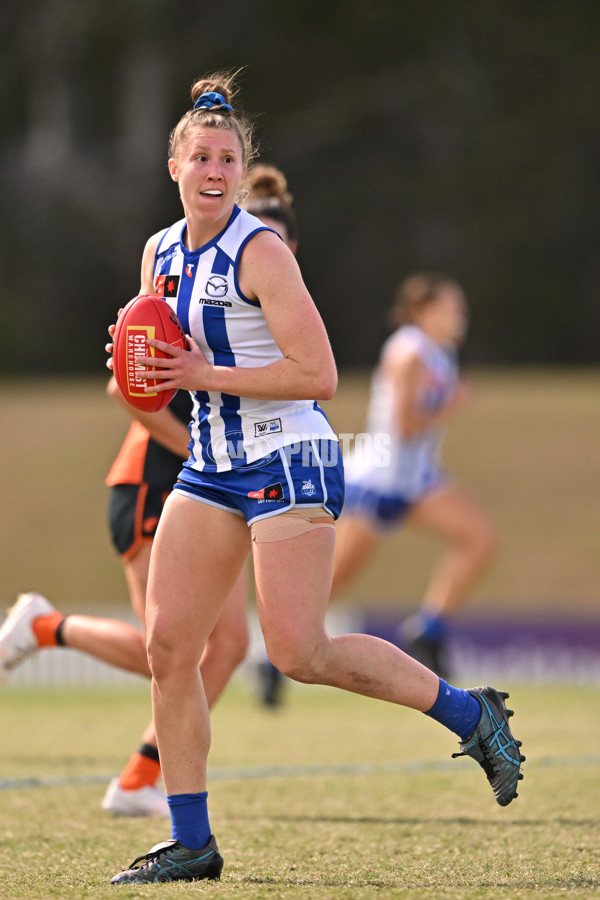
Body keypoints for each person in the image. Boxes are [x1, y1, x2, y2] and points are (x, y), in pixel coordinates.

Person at [103, 70, 523, 885]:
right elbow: (155, 354)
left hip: (290, 456)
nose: (216, 171)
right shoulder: (157, 251)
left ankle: (473, 715)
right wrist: (138, 362)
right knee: (168, 647)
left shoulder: (259, 251)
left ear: (239, 169)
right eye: (202, 157)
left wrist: (202, 372)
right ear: (175, 167)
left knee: (299, 651)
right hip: (213, 463)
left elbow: (318, 373)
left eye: (228, 158)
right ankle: (192, 842)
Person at [0, 162, 300, 816]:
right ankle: (46, 626)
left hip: (221, 486)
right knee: (169, 647)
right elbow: (125, 386)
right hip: (155, 481)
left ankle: (138, 780)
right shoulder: (193, 278)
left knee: (222, 646)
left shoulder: (276, 311)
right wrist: (203, 452)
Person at [331, 273, 498, 678]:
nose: (460, 315)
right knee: (333, 580)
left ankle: (430, 629)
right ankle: (270, 658)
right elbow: (405, 425)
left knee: (479, 538)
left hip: (416, 480)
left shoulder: (440, 351)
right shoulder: (409, 353)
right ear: (422, 311)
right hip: (379, 481)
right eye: (450, 306)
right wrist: (451, 405)